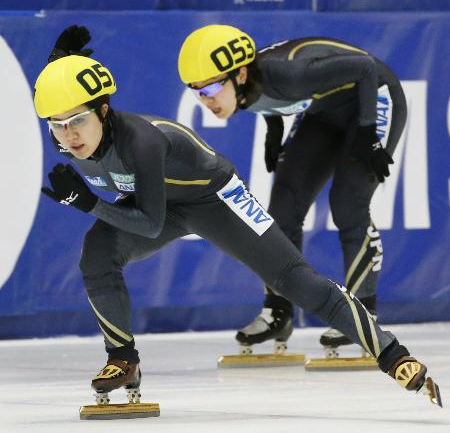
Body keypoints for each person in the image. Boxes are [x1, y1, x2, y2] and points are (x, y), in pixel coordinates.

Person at [33, 45, 438, 405]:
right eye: (56, 125)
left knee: (294, 279)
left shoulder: (142, 142)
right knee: (96, 256)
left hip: (215, 199)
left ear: (104, 110)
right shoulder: (71, 133)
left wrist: (87, 204)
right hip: (156, 202)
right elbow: (140, 205)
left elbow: (151, 225)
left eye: (78, 121)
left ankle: (393, 354)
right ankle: (122, 358)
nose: (68, 136)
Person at [178, 25, 406, 353]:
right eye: (196, 91)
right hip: (324, 111)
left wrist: (369, 130)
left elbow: (365, 68)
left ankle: (362, 315)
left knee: (348, 205)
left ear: (240, 75)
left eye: (211, 88)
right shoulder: (243, 86)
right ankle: (279, 311)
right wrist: (274, 132)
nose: (205, 100)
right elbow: (268, 101)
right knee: (282, 209)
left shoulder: (290, 75)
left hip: (373, 96)